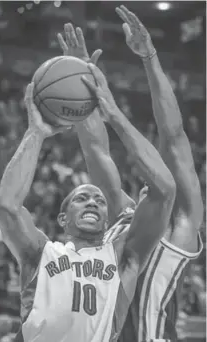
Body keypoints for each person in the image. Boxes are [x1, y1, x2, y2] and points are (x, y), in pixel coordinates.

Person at [0, 54, 175, 341]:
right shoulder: (42, 252)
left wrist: (114, 114)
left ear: (107, 222)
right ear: (62, 218)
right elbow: (7, 208)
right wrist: (36, 133)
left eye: (100, 201)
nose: (93, 200)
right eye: (82, 198)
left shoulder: (122, 255)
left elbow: (164, 191)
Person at [58, 6, 203, 342]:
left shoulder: (180, 223)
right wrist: (82, 81)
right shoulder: (120, 215)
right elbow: (96, 150)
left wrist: (149, 57)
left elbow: (174, 136)